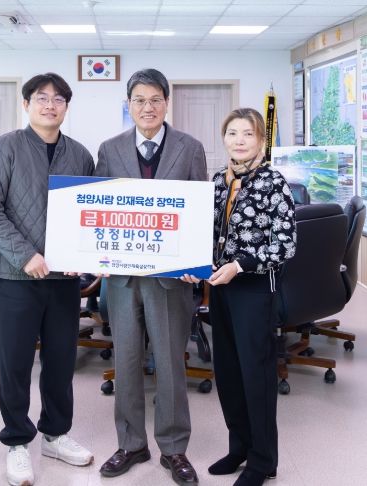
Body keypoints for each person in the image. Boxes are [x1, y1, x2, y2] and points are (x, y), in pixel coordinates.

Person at [0, 72, 95, 486]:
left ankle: (56, 434)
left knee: (61, 360)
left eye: (58, 99)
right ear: (26, 104)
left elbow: (89, 212)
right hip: (16, 275)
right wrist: (24, 255)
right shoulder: (2, 149)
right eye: (41, 98)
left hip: (64, 279)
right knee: (15, 362)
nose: (50, 105)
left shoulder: (80, 155)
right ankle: (17, 441)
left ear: (66, 107)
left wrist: (85, 256)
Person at [95, 68, 207, 485]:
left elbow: (199, 211)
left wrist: (195, 263)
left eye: (155, 99)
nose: (148, 107)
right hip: (122, 279)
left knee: (171, 364)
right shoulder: (110, 149)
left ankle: (174, 448)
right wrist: (95, 253)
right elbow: (100, 208)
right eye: (139, 100)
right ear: (129, 105)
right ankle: (131, 443)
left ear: (166, 103)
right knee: (125, 362)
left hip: (170, 280)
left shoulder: (189, 148)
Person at [182, 108, 296, 486]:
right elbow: (202, 234)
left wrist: (240, 264)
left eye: (248, 133)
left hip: (254, 289)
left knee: (256, 375)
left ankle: (262, 460)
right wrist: (192, 264)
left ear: (261, 140)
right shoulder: (217, 181)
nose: (239, 140)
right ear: (224, 138)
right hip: (220, 288)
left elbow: (285, 245)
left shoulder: (274, 183)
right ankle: (239, 448)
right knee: (228, 373)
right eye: (232, 133)